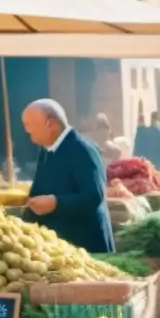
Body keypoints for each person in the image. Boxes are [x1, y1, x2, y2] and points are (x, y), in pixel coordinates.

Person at [20, 99, 114, 253]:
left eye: (30, 124)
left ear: (51, 123)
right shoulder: (46, 149)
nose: (27, 130)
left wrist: (56, 203)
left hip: (86, 245)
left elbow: (93, 197)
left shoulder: (82, 149)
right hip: (61, 247)